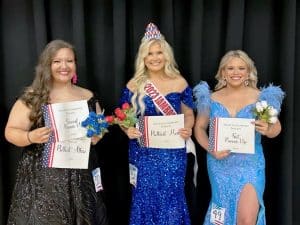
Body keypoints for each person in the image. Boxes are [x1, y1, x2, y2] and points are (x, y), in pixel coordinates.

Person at [5, 40, 108, 225]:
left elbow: (98, 131)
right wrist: (30, 137)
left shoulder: (88, 96)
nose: (64, 66)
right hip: (44, 184)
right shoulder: (34, 97)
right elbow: (11, 131)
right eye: (57, 61)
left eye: (69, 61)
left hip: (81, 181)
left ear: (75, 64)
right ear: (47, 65)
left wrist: (96, 136)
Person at [193, 50, 285, 225]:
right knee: (222, 217)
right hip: (219, 163)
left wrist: (268, 129)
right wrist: (211, 149)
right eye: (231, 68)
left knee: (247, 220)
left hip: (250, 164)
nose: (236, 72)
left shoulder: (260, 97)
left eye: (241, 68)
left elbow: (276, 128)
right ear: (223, 72)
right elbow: (199, 128)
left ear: (248, 72)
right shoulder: (211, 98)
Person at [118, 23, 194, 224]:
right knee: (145, 197)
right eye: (149, 54)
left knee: (171, 197)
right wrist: (128, 130)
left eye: (159, 52)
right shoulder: (133, 85)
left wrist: (188, 127)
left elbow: (188, 113)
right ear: (143, 57)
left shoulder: (180, 82)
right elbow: (123, 116)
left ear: (166, 55)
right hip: (144, 153)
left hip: (172, 153)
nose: (155, 58)